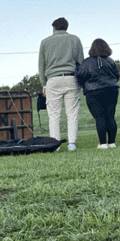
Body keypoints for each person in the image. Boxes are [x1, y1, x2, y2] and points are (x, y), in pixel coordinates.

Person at [38, 17, 84, 151]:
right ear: (66, 27)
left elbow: (41, 65)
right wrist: (80, 81)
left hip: (52, 79)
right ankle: (72, 143)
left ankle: (55, 145)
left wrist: (44, 84)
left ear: (54, 27)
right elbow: (80, 62)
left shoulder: (45, 42)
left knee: (53, 115)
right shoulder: (75, 39)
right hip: (71, 78)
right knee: (72, 113)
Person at [75, 39, 119, 149]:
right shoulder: (110, 61)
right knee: (110, 116)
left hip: (93, 91)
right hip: (111, 89)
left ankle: (103, 143)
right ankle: (112, 142)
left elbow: (80, 75)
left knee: (99, 117)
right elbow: (116, 75)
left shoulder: (87, 62)